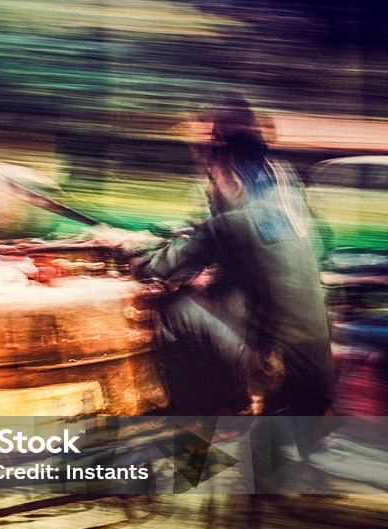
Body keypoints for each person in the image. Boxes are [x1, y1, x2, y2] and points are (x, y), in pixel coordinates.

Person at [108, 97, 335, 415]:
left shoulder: (227, 224)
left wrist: (124, 246)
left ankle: (196, 415)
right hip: (320, 377)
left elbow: (155, 269)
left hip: (277, 373)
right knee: (223, 295)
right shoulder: (288, 194)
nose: (199, 161)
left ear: (220, 157)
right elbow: (293, 251)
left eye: (202, 152)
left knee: (175, 308)